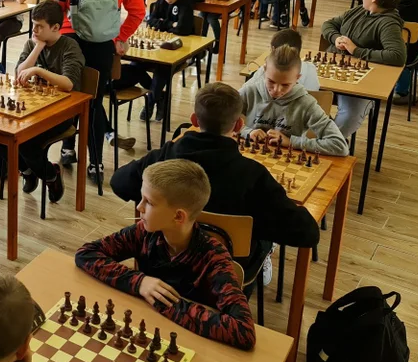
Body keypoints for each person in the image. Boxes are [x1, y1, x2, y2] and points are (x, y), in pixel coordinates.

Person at [109, 82, 320, 284]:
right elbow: (308, 233)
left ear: (194, 120)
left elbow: (118, 182)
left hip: (163, 262)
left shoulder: (165, 157)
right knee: (261, 232)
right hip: (225, 274)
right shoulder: (252, 174)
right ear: (239, 125)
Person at [76, 159, 256, 350]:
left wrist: (165, 302)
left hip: (193, 347)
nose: (139, 207)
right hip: (148, 331)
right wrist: (140, 282)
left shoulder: (214, 258)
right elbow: (86, 254)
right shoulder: (145, 233)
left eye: (149, 202)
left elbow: (243, 331)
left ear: (178, 216)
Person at [50, 0, 145, 178]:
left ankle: (68, 149)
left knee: (69, 97)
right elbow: (138, 11)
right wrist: (120, 37)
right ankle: (96, 164)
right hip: (103, 45)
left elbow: (53, 13)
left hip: (70, 43)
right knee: (94, 103)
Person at [8, 0, 84, 201]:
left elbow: (68, 84)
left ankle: (51, 175)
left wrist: (38, 70)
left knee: (25, 143)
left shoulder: (69, 46)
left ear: (56, 27)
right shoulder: (33, 43)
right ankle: (28, 171)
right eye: (33, 25)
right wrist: (37, 48)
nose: (34, 30)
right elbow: (18, 73)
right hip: (34, 109)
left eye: (39, 26)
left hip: (62, 113)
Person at [322, 0, 407, 137]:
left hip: (360, 79)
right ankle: (322, 138)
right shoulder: (359, 10)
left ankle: (329, 142)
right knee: (301, 98)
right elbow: (329, 24)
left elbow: (397, 56)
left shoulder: (388, 23)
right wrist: (336, 38)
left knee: (349, 115)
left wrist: (356, 50)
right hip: (333, 69)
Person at [238, 46, 348, 155]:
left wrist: (292, 141)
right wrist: (246, 131)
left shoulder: (306, 104)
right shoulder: (250, 91)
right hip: (249, 156)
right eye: (271, 81)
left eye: (285, 85)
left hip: (286, 160)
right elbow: (226, 118)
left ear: (297, 78)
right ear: (264, 70)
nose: (277, 90)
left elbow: (340, 146)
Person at [118, 0, 195, 123]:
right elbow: (150, 20)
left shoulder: (186, 2)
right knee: (135, 65)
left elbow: (182, 29)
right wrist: (170, 24)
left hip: (179, 50)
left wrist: (163, 24)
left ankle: (150, 102)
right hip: (157, 47)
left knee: (162, 69)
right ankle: (159, 97)